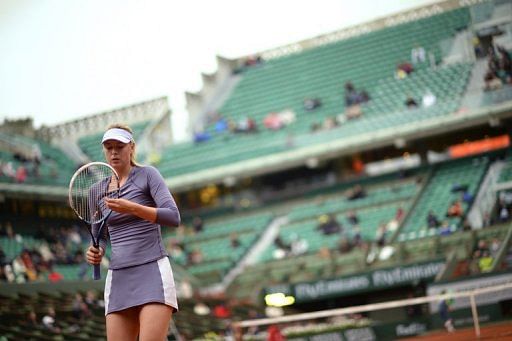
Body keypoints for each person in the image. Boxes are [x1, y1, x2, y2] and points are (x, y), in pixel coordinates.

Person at [85, 124, 180, 340]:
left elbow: (173, 217)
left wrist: (133, 208)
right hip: (118, 276)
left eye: (119, 146)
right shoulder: (96, 192)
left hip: (152, 270)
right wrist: (94, 254)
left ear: (132, 148)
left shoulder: (148, 175)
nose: (114, 152)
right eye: (109, 147)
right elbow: (97, 239)